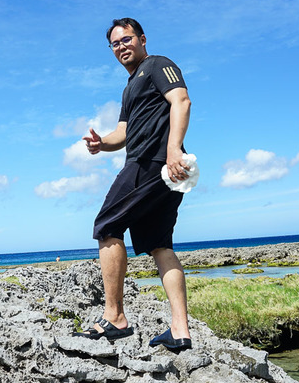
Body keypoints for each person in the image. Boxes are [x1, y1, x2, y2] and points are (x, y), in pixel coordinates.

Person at [74, 18, 193, 351]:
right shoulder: (130, 88)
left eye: (126, 40)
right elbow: (123, 133)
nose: (121, 47)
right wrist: (102, 144)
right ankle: (180, 331)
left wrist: (172, 149)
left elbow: (181, 101)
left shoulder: (158, 65)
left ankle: (115, 318)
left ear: (142, 39)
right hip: (159, 167)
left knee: (108, 225)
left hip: (152, 162)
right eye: (115, 44)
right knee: (159, 244)